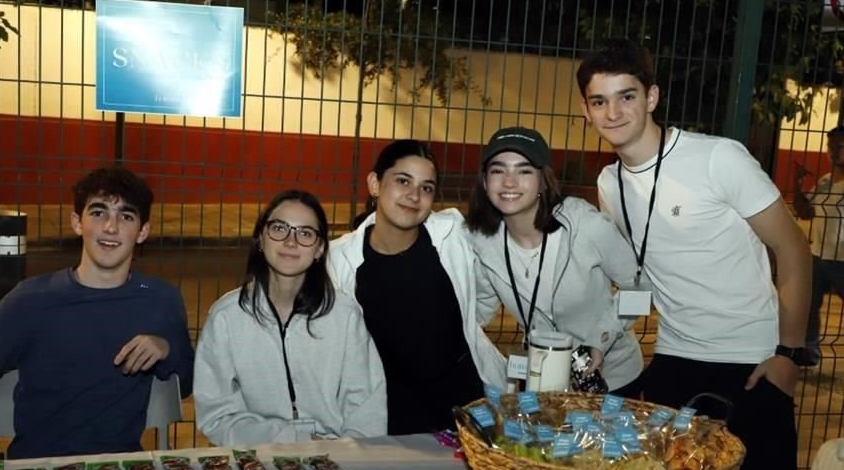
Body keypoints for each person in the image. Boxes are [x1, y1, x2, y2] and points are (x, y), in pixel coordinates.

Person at [576, 38, 811, 470]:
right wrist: (603, 339)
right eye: (600, 101)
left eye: (627, 96)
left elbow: (793, 249)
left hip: (752, 365)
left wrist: (788, 354)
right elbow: (639, 281)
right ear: (586, 110)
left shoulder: (718, 158)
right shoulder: (609, 184)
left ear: (653, 98)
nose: (614, 111)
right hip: (675, 362)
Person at [0, 166, 195, 461]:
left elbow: (185, 384)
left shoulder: (160, 299)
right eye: (98, 212)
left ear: (142, 231)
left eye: (126, 216)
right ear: (77, 222)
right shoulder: (31, 301)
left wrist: (166, 348)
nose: (111, 226)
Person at [328, 139, 506, 435]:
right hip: (390, 418)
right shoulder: (339, 260)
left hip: (467, 413)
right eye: (402, 181)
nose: (414, 196)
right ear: (375, 183)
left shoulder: (453, 236)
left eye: (426, 187)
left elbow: (485, 292)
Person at [193, 189, 387, 445]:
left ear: (319, 249)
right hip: (256, 457)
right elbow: (216, 416)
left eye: (305, 233)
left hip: (336, 459)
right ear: (261, 239)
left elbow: (367, 409)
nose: (291, 241)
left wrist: (344, 456)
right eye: (279, 228)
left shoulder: (345, 316)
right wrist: (296, 438)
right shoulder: (226, 318)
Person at [466, 126, 643, 393]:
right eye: (498, 170)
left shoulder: (584, 226)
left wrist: (601, 338)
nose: (509, 182)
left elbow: (640, 287)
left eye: (524, 171)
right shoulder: (484, 242)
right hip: (544, 384)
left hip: (613, 380)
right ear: (484, 181)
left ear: (543, 180)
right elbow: (478, 307)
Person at [794, 125, 844, 366]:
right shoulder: (824, 181)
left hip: (843, 258)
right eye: (830, 146)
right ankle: (809, 353)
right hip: (819, 255)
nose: (834, 151)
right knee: (810, 306)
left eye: (840, 146)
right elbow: (805, 213)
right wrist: (797, 184)